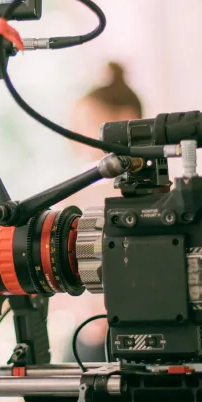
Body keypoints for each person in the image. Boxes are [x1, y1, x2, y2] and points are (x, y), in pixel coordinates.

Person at [62, 62, 143, 364]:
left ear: (125, 120)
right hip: (88, 336)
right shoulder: (84, 191)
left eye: (86, 124)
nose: (75, 139)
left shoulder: (140, 193)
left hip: (123, 337)